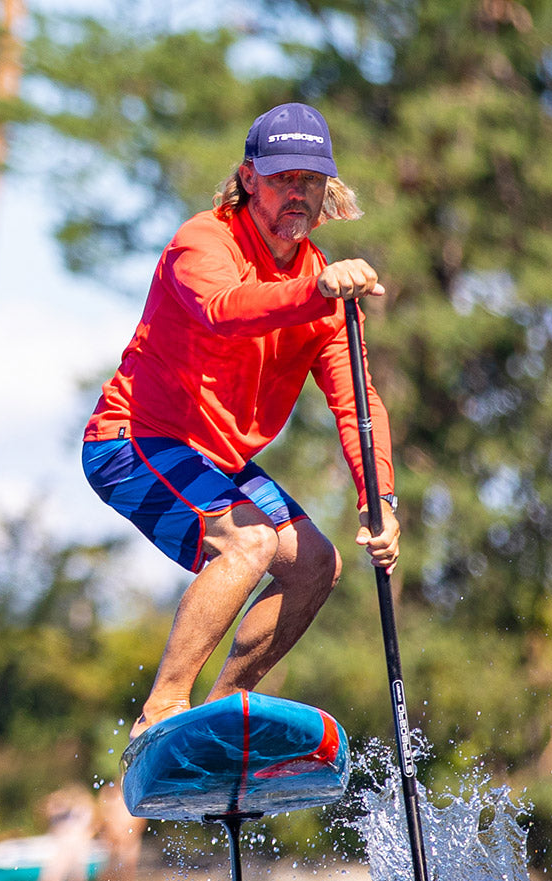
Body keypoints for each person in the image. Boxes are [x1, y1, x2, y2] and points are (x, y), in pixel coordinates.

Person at [82, 101, 399, 739]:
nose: (297, 194)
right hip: (134, 440)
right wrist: (316, 291)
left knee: (316, 564)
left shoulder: (324, 286)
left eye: (310, 181)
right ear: (249, 177)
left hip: (217, 460)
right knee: (250, 541)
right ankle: (163, 710)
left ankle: (219, 719)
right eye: (283, 179)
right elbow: (224, 311)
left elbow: (355, 401)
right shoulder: (204, 240)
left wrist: (380, 499)